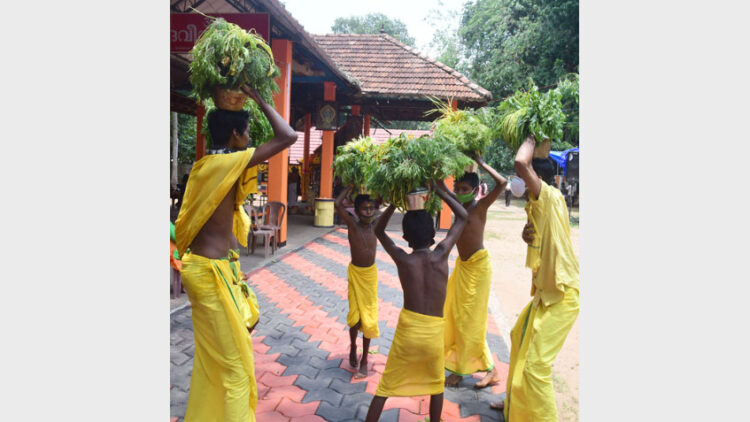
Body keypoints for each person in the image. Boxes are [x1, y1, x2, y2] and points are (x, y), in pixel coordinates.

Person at [174, 85, 297, 422]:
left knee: (214, 362)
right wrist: (259, 98)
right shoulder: (228, 163)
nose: (248, 138)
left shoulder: (206, 165)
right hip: (210, 273)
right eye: (246, 131)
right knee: (237, 371)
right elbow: (287, 136)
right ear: (234, 134)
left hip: (209, 270)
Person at [490, 138, 579, 421]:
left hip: (562, 296)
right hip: (546, 294)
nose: (518, 180)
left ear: (535, 178)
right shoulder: (537, 202)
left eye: (523, 177)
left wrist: (529, 136)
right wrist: (526, 235)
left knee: (536, 368)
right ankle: (514, 405)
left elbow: (520, 162)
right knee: (518, 336)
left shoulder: (549, 196)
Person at [365, 181, 469, 422]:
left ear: (404, 237)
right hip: (433, 334)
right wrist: (441, 190)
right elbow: (462, 217)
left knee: (385, 386)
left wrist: (395, 200)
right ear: (433, 234)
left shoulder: (403, 259)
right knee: (436, 385)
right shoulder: (441, 254)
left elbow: (378, 230)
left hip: (408, 333)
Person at [438, 155, 508, 389]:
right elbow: (439, 187)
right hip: (463, 267)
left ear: (476, 189)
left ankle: (491, 370)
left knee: (470, 321)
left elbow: (502, 183)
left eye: (465, 189)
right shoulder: (457, 206)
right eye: (457, 188)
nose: (459, 192)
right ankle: (459, 369)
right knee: (456, 317)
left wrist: (479, 160)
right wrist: (438, 161)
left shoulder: (480, 206)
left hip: (478, 268)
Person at [334, 185, 380, 378]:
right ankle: (353, 346)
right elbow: (337, 204)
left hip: (370, 277)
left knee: (369, 317)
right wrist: (350, 186)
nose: (368, 212)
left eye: (371, 208)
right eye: (364, 208)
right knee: (355, 317)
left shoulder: (377, 225)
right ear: (356, 210)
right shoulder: (352, 226)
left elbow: (391, 205)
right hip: (355, 275)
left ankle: (365, 360)